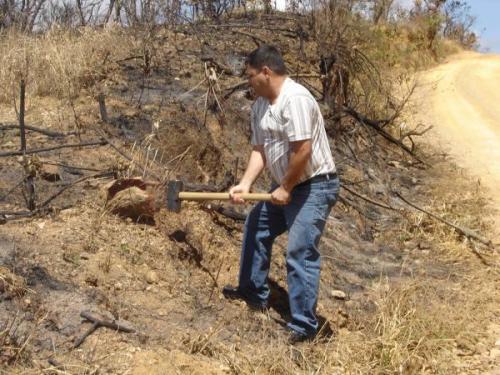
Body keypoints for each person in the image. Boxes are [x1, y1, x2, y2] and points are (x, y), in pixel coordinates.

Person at [223, 45, 340, 344]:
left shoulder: (296, 99)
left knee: (299, 250)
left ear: (266, 71)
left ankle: (304, 326)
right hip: (286, 187)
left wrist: (286, 187)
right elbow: (260, 151)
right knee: (256, 226)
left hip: (314, 186)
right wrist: (246, 184)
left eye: (251, 75)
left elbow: (303, 150)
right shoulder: (261, 105)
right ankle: (252, 292)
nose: (248, 81)